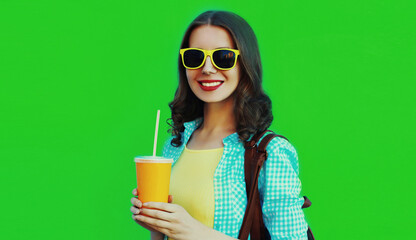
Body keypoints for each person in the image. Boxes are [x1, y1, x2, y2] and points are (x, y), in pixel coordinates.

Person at [130, 10, 309, 240]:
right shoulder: (175, 145)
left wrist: (195, 232)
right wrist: (157, 223)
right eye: (195, 57)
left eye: (223, 57)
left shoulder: (268, 152)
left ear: (244, 64)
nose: (206, 68)